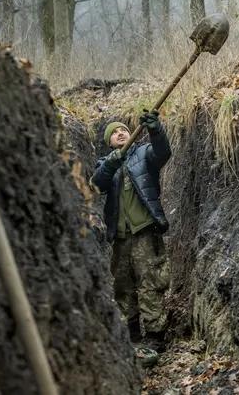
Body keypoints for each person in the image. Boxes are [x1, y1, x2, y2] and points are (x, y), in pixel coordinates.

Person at [91, 110, 171, 354]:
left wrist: (156, 130)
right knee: (123, 287)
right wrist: (111, 164)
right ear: (109, 142)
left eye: (123, 130)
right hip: (121, 238)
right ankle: (131, 334)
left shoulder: (143, 153)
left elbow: (163, 153)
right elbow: (96, 184)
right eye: (114, 133)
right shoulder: (105, 164)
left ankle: (156, 337)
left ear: (131, 135)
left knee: (150, 284)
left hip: (145, 232)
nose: (120, 133)